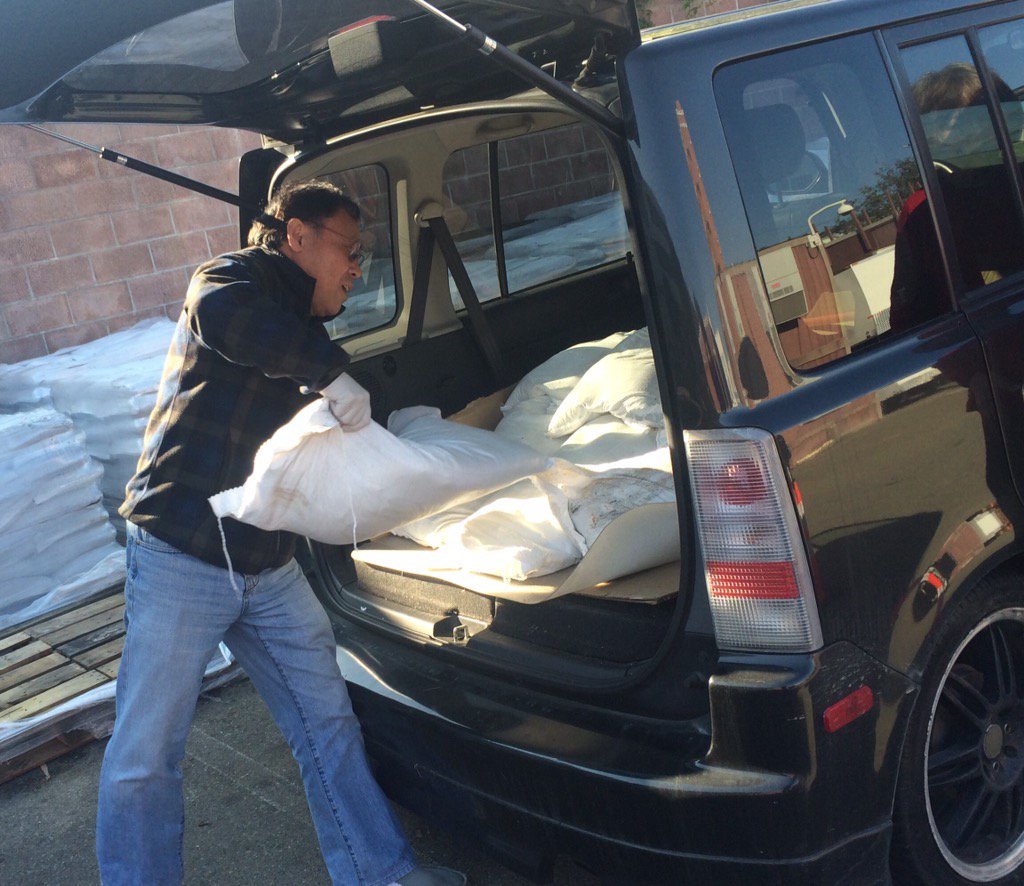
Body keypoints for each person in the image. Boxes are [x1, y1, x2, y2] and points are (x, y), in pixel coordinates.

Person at [97, 180, 465, 886]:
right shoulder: (228, 281)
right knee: (147, 753)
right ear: (297, 236)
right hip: (183, 553)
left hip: (267, 564)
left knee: (326, 723)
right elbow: (227, 318)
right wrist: (329, 374)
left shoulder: (309, 334)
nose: (358, 267)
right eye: (350, 250)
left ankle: (380, 874)